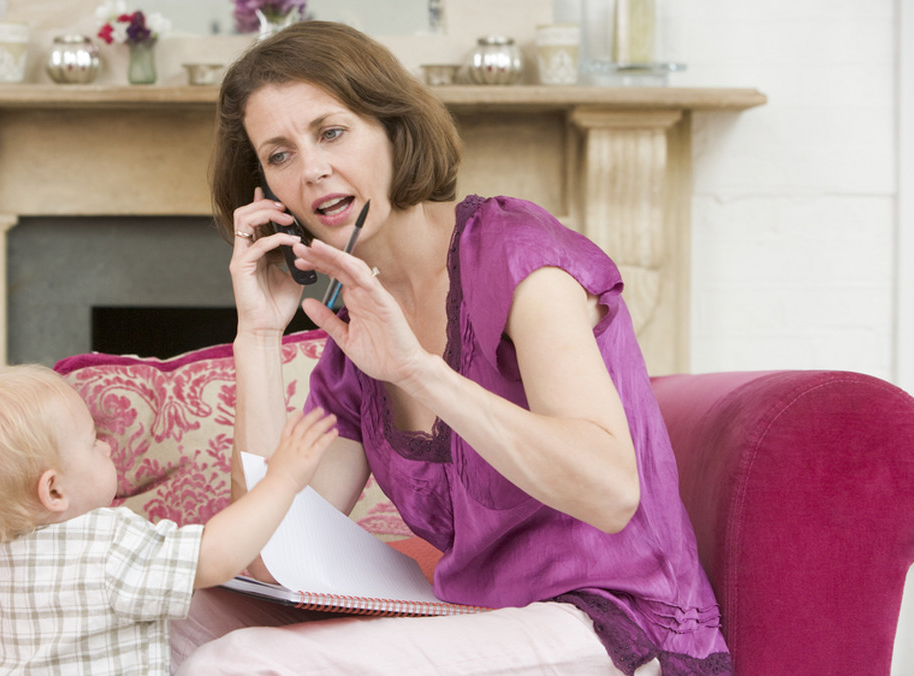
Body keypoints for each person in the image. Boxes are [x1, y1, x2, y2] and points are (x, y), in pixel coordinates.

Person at [179, 20, 731, 675]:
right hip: (476, 622)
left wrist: (417, 369)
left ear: (392, 129)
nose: (313, 170)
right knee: (171, 619)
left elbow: (610, 491)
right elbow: (270, 542)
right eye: (279, 155)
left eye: (331, 132)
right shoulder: (353, 323)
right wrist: (260, 333)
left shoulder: (519, 257)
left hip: (620, 627)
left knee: (244, 662)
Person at [0, 364, 338, 675]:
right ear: (54, 490)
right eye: (93, 441)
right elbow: (214, 557)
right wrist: (281, 480)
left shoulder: (9, 556)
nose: (109, 448)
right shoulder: (106, 542)